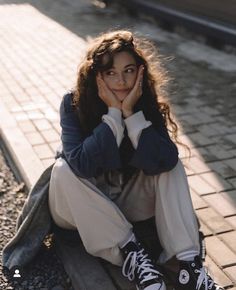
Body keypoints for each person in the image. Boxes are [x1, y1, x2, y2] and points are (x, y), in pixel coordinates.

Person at [48, 29, 224, 290]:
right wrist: (113, 116)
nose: (121, 81)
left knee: (169, 165)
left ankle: (188, 265)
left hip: (125, 202)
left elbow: (164, 160)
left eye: (129, 70)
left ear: (140, 71)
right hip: (78, 207)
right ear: (96, 76)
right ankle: (132, 254)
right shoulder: (73, 104)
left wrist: (131, 114)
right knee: (63, 169)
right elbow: (81, 165)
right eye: (111, 73)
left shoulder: (144, 101)